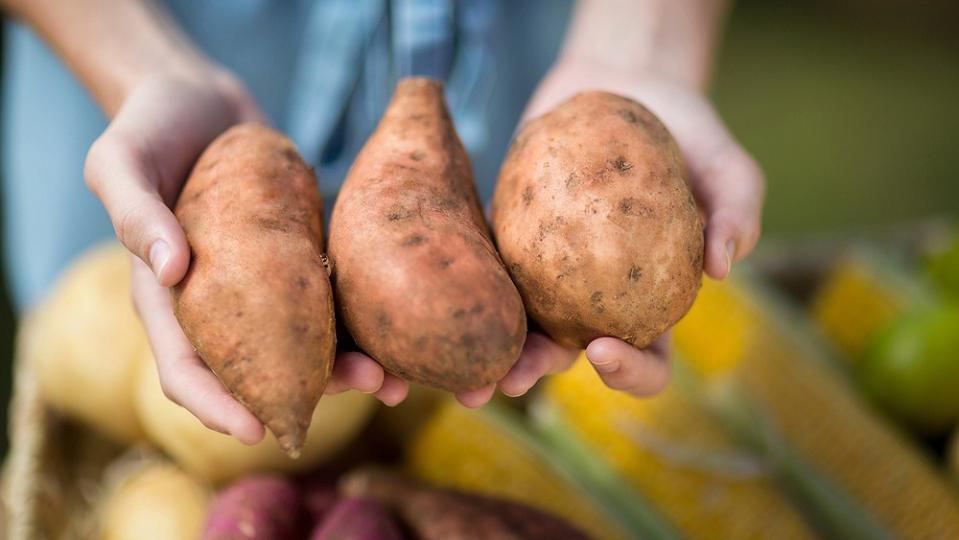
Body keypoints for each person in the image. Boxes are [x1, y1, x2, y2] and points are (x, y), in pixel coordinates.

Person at [1, 0, 763, 445]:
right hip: (174, 32)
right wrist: (139, 68)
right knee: (104, 382)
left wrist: (645, 43)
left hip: (556, 74)